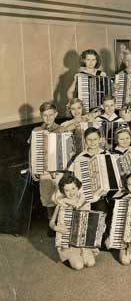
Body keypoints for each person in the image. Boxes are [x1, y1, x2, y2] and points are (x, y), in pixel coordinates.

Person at [29, 102, 65, 232]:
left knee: (60, 196)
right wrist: (33, 169)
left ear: (56, 114)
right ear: (41, 116)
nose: (48, 118)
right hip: (43, 169)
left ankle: (61, 223)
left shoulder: (62, 129)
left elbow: (66, 152)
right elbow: (32, 152)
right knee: (47, 198)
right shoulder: (36, 131)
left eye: (51, 115)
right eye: (45, 115)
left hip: (59, 170)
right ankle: (51, 222)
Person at [49, 174, 98, 270]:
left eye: (73, 188)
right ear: (63, 191)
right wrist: (55, 227)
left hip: (83, 241)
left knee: (91, 262)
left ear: (78, 188)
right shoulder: (61, 204)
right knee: (78, 266)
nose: (71, 193)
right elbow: (51, 222)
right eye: (67, 190)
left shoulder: (83, 201)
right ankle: (73, 255)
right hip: (69, 242)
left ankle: (83, 252)